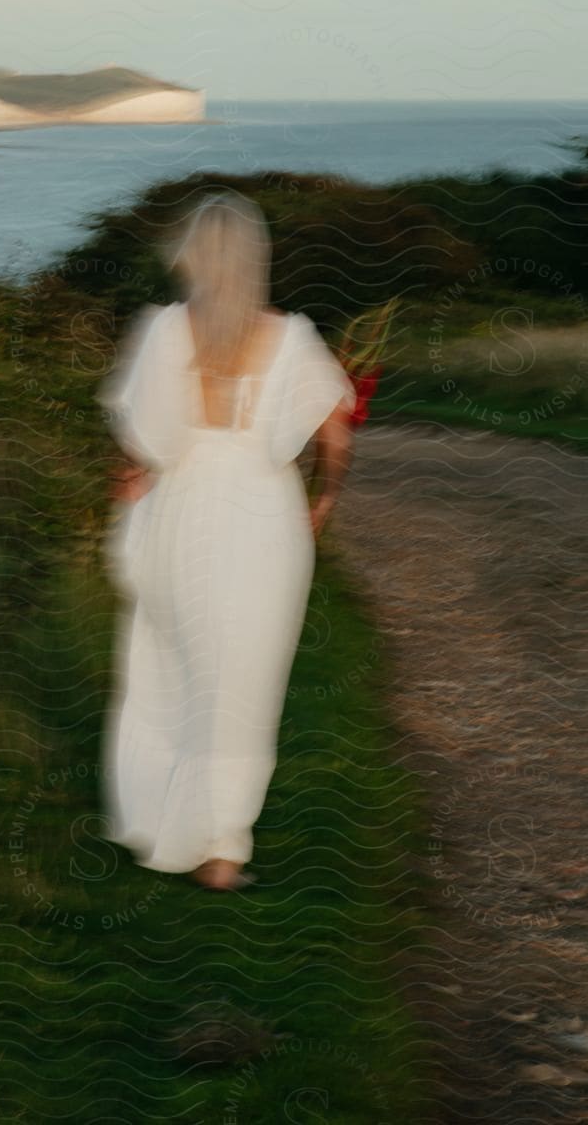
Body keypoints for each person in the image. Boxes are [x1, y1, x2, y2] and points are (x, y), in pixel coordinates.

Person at [96, 190, 356, 892]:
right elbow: (336, 431)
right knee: (243, 685)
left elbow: (144, 439)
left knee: (173, 669)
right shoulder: (294, 338)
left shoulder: (162, 331)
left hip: (182, 510)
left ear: (193, 256)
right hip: (261, 519)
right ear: (257, 257)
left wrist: (134, 476)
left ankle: (162, 816)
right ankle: (222, 851)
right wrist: (325, 498)